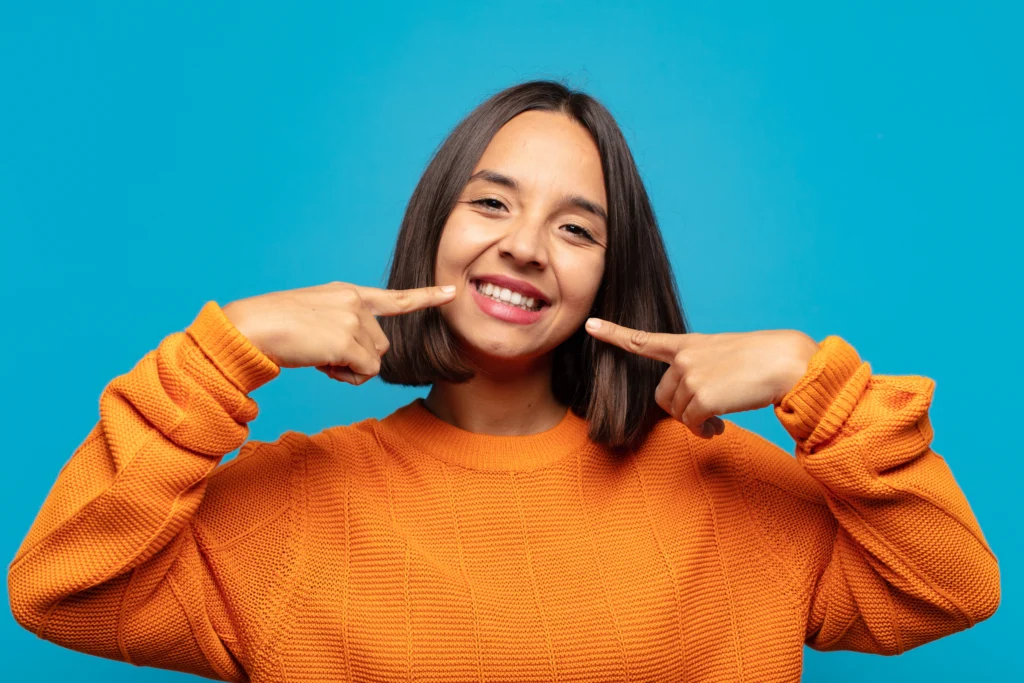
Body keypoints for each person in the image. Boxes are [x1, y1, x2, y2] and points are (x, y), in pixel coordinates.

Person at [8, 80, 1000, 682]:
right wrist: (232, 343)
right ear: (435, 224)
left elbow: (953, 587)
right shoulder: (294, 507)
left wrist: (814, 378)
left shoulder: (726, 492)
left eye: (576, 227)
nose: (525, 247)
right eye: (492, 203)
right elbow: (60, 588)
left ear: (612, 275)